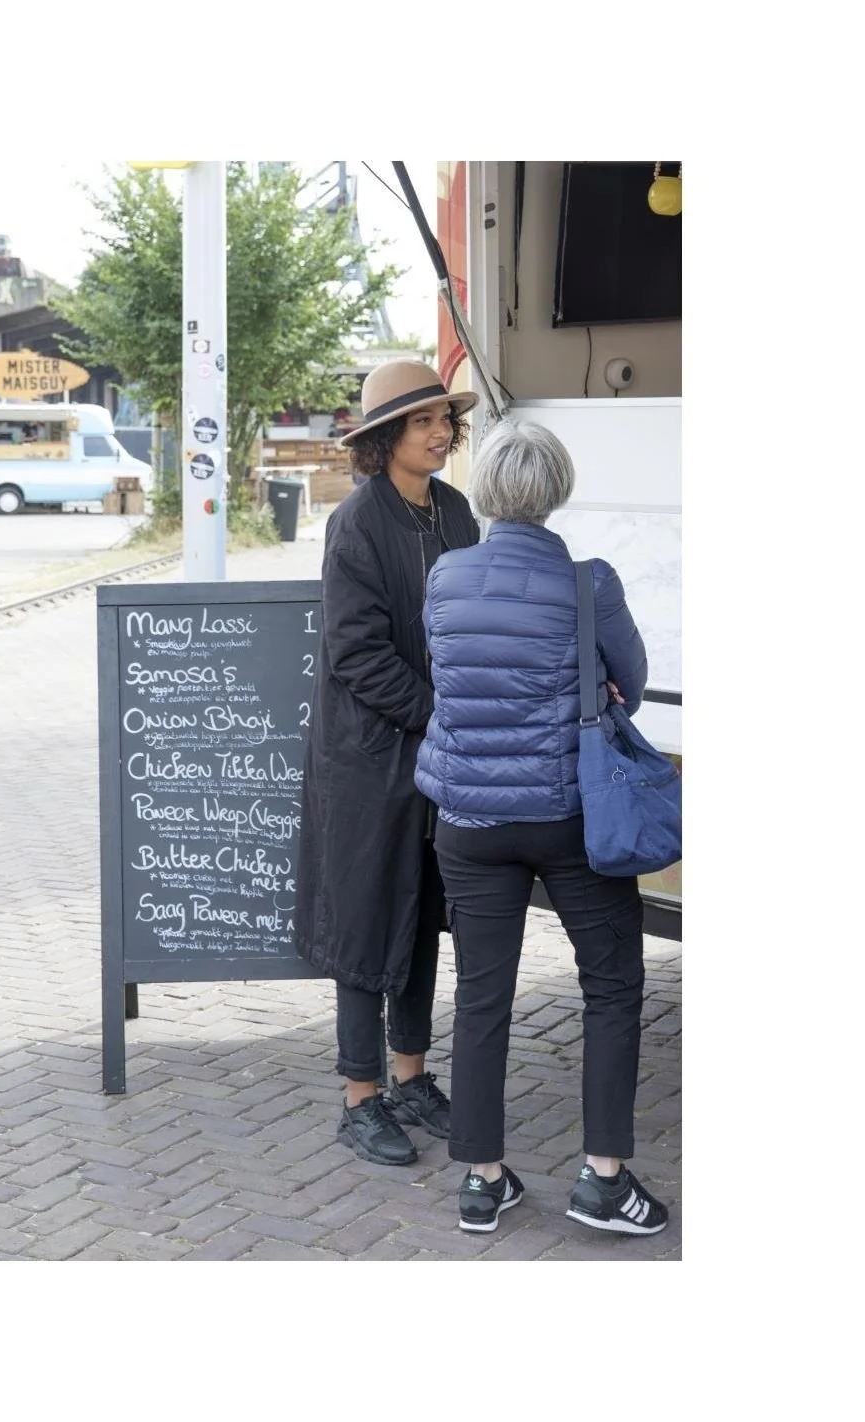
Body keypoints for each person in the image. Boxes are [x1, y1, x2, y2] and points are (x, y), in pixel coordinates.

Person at [415, 419, 670, 1236]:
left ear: (487, 489)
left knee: (482, 994)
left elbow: (450, 672)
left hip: (469, 819)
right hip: (569, 818)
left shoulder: (446, 576)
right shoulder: (589, 584)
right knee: (612, 987)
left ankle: (482, 1181)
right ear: (556, 489)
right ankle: (604, 1182)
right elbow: (632, 681)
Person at [294, 361, 481, 1165]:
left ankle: (410, 1078)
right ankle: (360, 1098)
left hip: (439, 757)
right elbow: (357, 655)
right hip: (369, 761)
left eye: (444, 419)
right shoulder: (357, 522)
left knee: (423, 914)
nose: (440, 433)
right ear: (385, 438)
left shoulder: (455, 512)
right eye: (422, 421)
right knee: (365, 922)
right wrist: (442, 714)